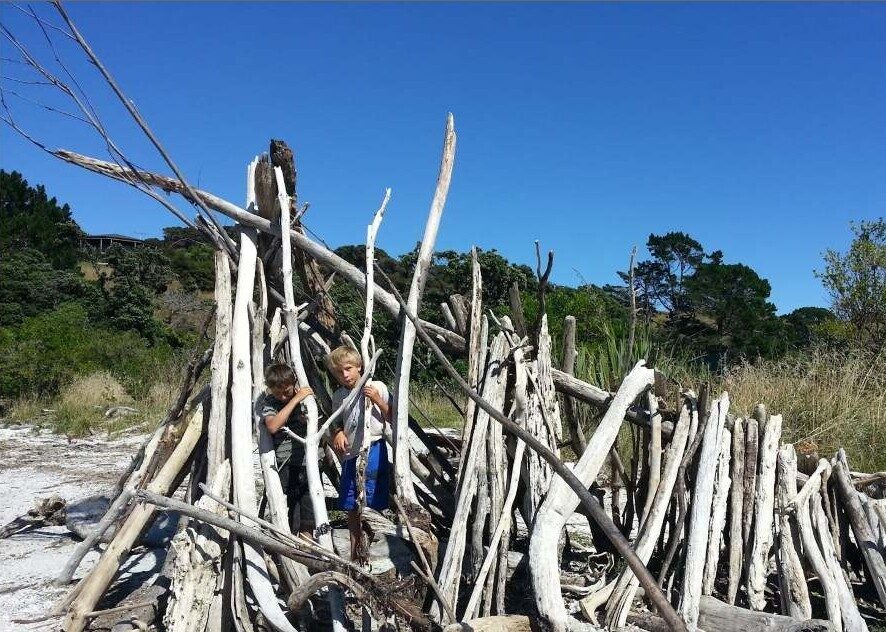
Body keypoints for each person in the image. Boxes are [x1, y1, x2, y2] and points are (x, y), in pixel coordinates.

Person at [326, 346, 391, 563]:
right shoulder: (339, 395)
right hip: (350, 455)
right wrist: (337, 432)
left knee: (371, 500)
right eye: (339, 372)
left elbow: (394, 416)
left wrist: (378, 400)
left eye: (348, 369)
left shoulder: (376, 386)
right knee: (351, 503)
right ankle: (356, 551)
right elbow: (336, 421)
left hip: (373, 448)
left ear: (359, 367)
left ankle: (373, 544)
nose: (345, 375)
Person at [256, 363, 314, 538]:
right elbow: (273, 426)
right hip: (285, 463)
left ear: (294, 383)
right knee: (291, 507)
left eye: (287, 392)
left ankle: (307, 544)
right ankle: (290, 540)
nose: (282, 397)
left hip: (308, 461)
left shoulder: (305, 398)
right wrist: (294, 400)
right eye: (277, 393)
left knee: (308, 509)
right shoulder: (271, 402)